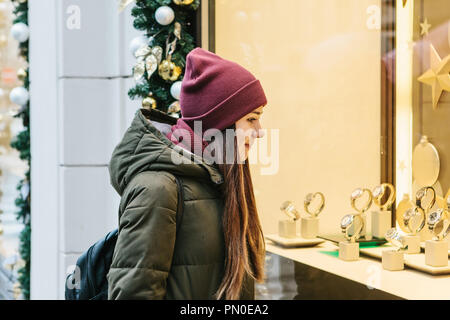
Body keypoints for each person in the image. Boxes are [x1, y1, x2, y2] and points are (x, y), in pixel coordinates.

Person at [107, 47, 268, 300]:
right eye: (251, 119)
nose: (260, 131)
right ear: (220, 122)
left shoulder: (218, 180)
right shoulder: (158, 188)